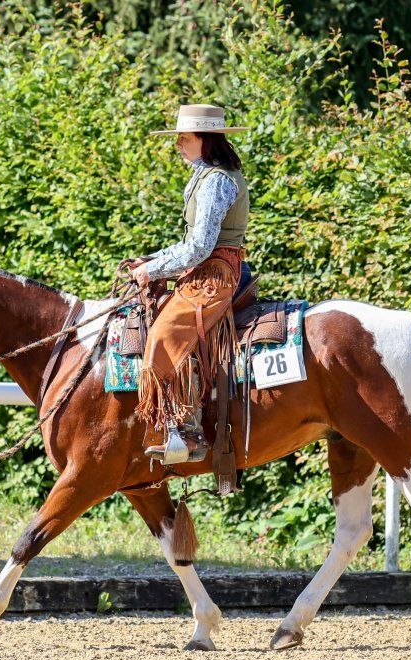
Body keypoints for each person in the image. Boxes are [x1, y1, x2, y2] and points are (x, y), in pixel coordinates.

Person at [126, 103, 250, 464]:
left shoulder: (216, 181)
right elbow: (190, 243)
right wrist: (153, 261)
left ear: (204, 139)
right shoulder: (206, 175)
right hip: (205, 269)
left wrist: (154, 271)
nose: (178, 143)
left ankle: (186, 428)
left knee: (166, 332)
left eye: (183, 136)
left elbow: (199, 247)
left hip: (216, 275)